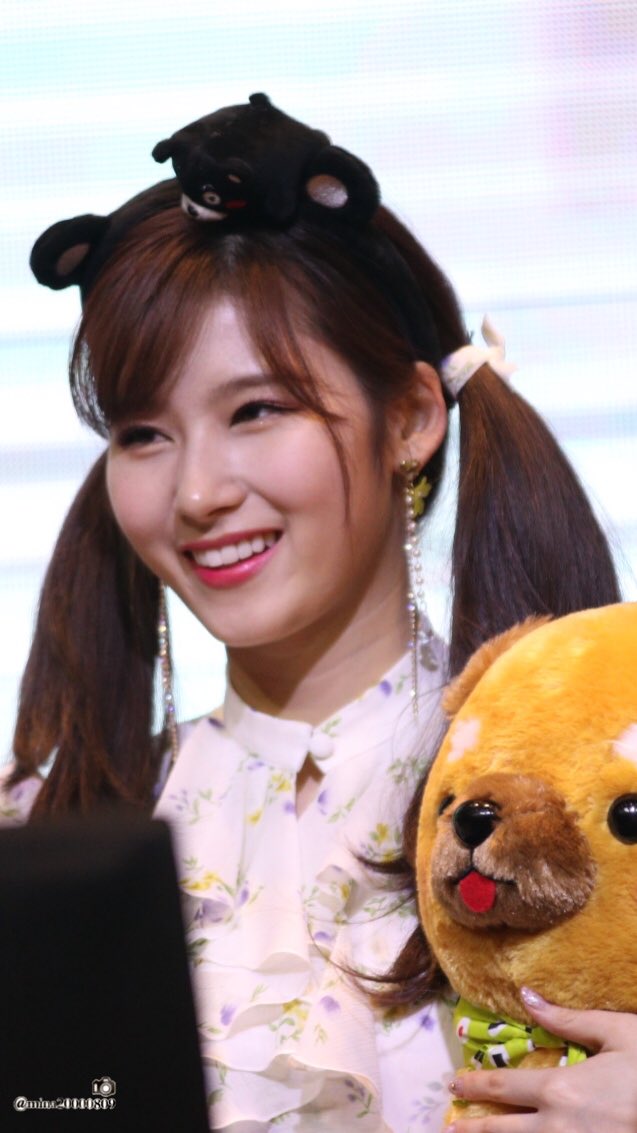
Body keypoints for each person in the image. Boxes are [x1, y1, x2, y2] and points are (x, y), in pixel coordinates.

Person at [2, 93, 635, 1131]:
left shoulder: (598, 793)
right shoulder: (50, 833)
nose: (196, 491)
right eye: (143, 432)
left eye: (257, 409)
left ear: (410, 417)